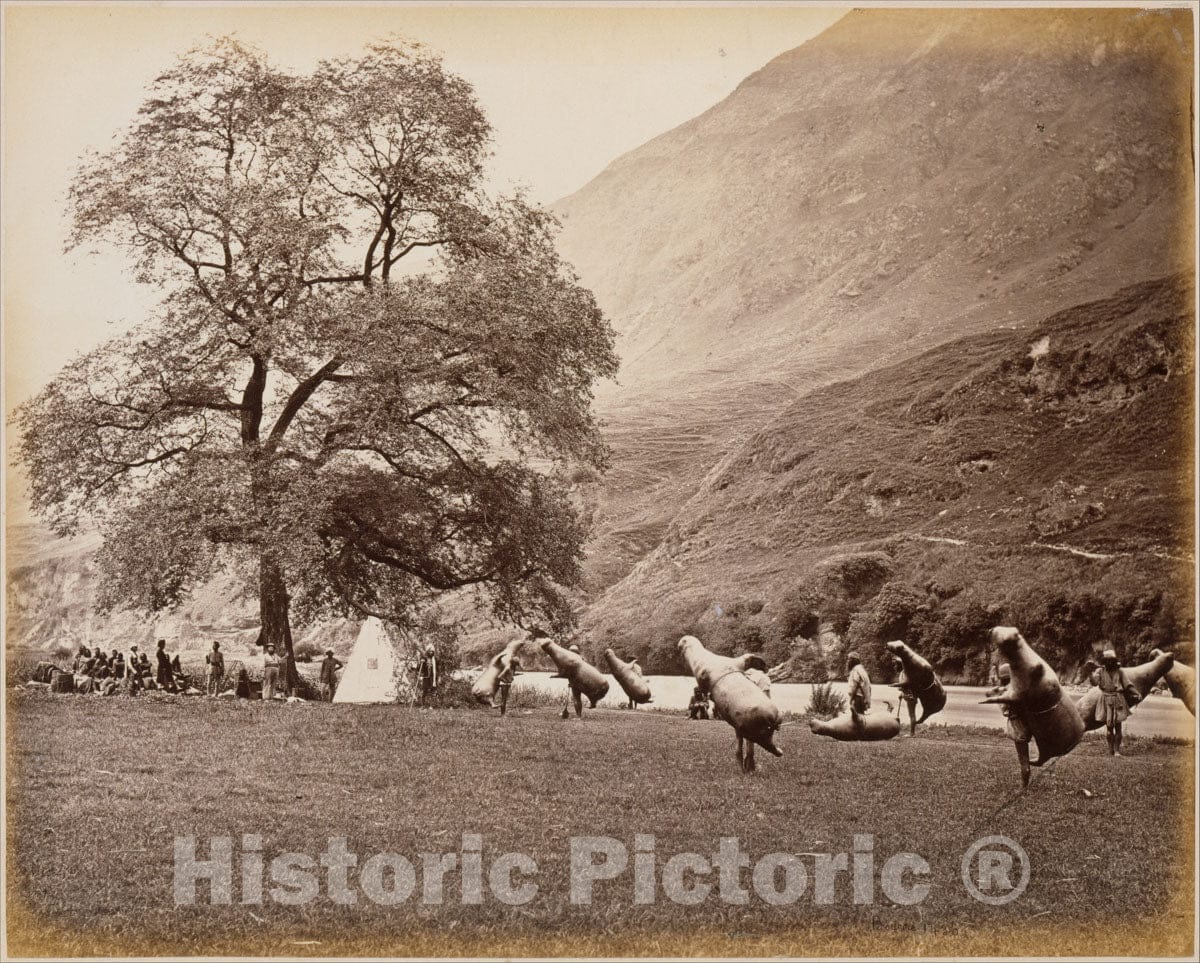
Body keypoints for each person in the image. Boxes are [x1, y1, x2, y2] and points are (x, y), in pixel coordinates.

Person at [990, 663, 1033, 788]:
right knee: (1026, 756)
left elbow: (1004, 711)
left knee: (1023, 758)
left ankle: (1024, 785)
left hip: (1017, 725)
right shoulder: (1021, 688)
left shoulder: (1006, 692)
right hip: (1029, 723)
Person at [1091, 648, 1136, 757]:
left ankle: (1117, 751)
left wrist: (1136, 693)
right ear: (1104, 661)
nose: (1109, 662)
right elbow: (1094, 682)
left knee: (1118, 726)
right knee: (1109, 726)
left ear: (1114, 661)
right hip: (1105, 699)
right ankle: (1110, 750)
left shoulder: (1120, 671)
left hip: (1118, 698)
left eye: (1111, 660)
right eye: (1107, 660)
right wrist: (1090, 673)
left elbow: (1127, 684)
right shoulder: (1100, 671)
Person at [892, 655, 918, 736]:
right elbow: (905, 686)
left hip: (911, 696)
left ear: (900, 665)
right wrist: (901, 694)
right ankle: (912, 733)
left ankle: (912, 733)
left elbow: (907, 682)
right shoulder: (903, 672)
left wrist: (896, 685)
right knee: (911, 714)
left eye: (895, 665)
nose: (894, 667)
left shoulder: (906, 672)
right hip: (908, 695)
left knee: (912, 714)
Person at [560, 643, 584, 720]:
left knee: (576, 698)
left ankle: (578, 716)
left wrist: (571, 682)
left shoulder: (571, 661)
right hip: (581, 680)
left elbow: (570, 672)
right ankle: (579, 715)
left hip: (576, 681)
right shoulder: (581, 659)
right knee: (578, 698)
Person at [846, 651, 872, 720]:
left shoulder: (856, 670)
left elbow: (854, 686)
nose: (848, 661)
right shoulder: (860, 669)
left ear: (854, 660)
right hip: (861, 697)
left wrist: (851, 698)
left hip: (857, 697)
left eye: (849, 659)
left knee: (857, 719)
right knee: (861, 717)